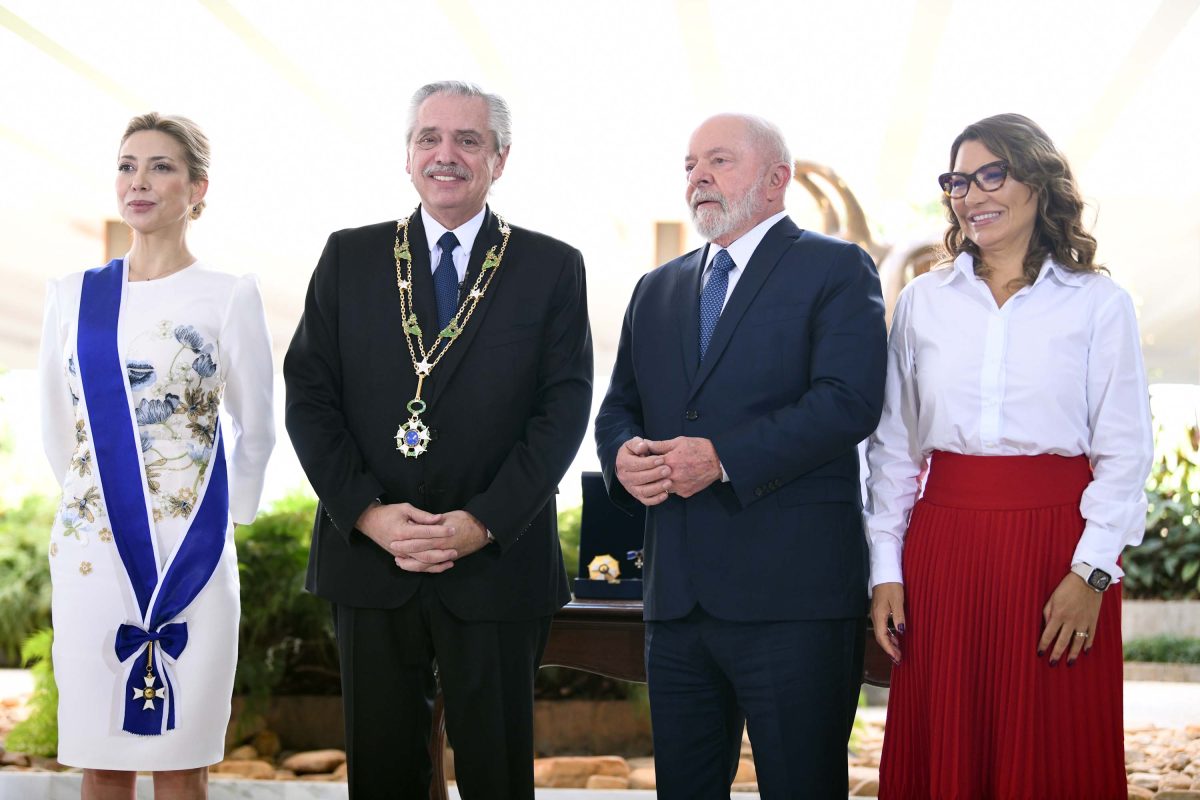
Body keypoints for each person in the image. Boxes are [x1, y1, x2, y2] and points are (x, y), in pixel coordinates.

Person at [284, 80, 592, 799]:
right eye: (429, 138)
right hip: (371, 557)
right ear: (408, 155)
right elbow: (310, 397)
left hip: (494, 562)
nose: (445, 155)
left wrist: (482, 523)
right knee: (383, 772)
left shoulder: (550, 267)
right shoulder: (348, 257)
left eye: (468, 140)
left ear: (500, 159)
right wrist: (367, 512)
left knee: (497, 773)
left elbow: (563, 410)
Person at [595, 113, 887, 799]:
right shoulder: (656, 288)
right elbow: (617, 410)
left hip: (794, 601)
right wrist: (623, 458)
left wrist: (722, 458)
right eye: (690, 164)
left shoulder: (836, 268)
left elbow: (848, 401)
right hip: (676, 604)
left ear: (776, 179)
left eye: (719, 161)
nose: (698, 176)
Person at [866, 113, 1152, 799]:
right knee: (947, 745)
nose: (972, 194)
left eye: (992, 174)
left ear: (1039, 184)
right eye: (959, 181)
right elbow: (894, 450)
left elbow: (1125, 454)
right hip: (945, 549)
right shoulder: (922, 305)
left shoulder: (1098, 304)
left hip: (1060, 552)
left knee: (1053, 748)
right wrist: (885, 569)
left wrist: (1092, 575)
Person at [38, 113, 275, 800]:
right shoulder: (71, 295)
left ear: (197, 189)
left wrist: (234, 521)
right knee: (100, 760)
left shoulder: (230, 294)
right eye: (126, 165)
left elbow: (256, 424)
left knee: (182, 764)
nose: (139, 181)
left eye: (160, 167)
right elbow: (62, 427)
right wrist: (89, 503)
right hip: (91, 550)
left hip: (192, 553)